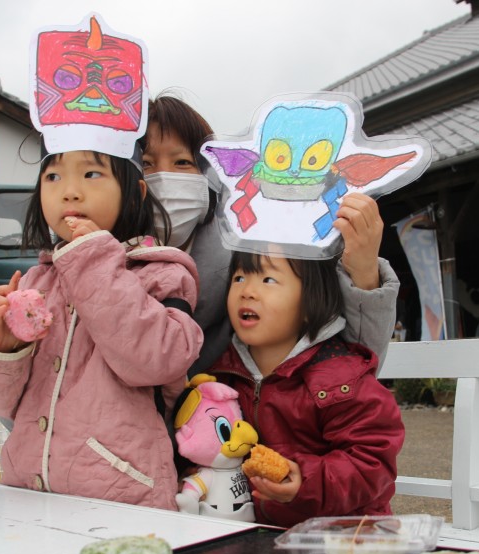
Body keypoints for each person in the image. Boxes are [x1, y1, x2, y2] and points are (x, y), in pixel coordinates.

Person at [0, 148, 204, 510]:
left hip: (124, 501)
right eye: (53, 177)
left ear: (135, 193)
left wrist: (91, 258)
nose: (70, 192)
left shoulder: (162, 275)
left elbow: (159, 361)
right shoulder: (36, 280)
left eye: (91, 174)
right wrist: (0, 346)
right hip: (28, 495)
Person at [141, 94, 400, 376]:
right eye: (146, 163)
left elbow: (354, 365)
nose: (163, 177)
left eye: (182, 163)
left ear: (212, 174)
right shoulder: (102, 254)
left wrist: (363, 270)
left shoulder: (250, 249)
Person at [207, 250, 405, 527]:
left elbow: (372, 460)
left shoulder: (340, 378)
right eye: (239, 277)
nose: (247, 291)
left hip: (345, 537)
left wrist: (307, 482)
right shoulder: (222, 375)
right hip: (261, 537)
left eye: (268, 280)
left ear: (310, 301)